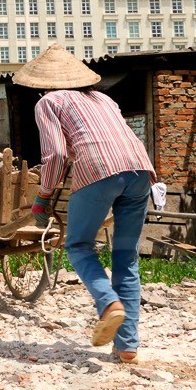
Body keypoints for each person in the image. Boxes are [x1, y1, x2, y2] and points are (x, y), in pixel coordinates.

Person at [19, 45, 157, 363]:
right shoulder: (104, 99)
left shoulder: (49, 102)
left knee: (79, 246)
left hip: (99, 171)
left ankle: (108, 303)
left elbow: (56, 155)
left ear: (44, 83)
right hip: (140, 170)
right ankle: (127, 346)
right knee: (126, 257)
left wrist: (42, 197)